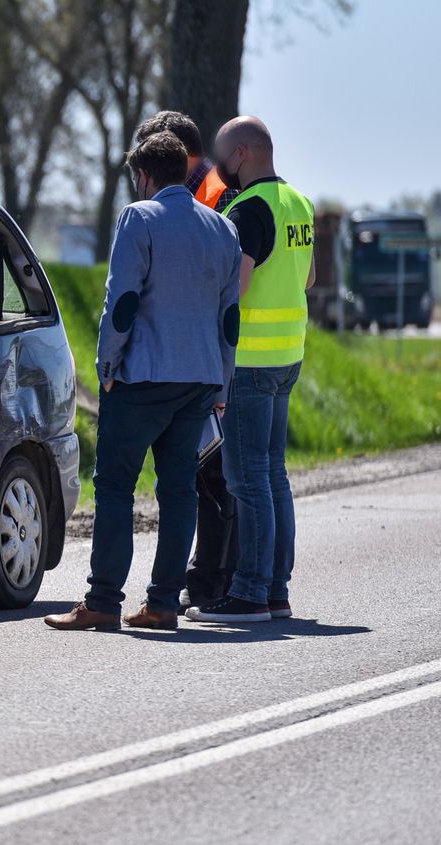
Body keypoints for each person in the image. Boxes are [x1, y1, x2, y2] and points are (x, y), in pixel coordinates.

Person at [45, 131, 241, 632]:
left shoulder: (139, 217)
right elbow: (229, 317)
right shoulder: (221, 229)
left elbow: (123, 302)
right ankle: (162, 605)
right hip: (200, 379)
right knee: (179, 490)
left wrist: (106, 366)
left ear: (145, 175)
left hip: (144, 378)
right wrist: (221, 383)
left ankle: (104, 601)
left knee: (114, 486)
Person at [187, 116, 315, 624]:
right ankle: (276, 590)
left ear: (241, 155)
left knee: (246, 480)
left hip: (252, 362)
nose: (219, 168)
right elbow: (309, 279)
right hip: (288, 358)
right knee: (274, 475)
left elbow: (232, 291)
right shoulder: (299, 203)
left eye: (222, 157)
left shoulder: (247, 210)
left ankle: (250, 594)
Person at [135, 109, 240, 610]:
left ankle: (213, 580)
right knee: (209, 476)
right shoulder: (209, 189)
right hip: (215, 354)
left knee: (214, 478)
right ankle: (215, 575)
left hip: (215, 357)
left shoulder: (213, 195)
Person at [134, 109, 238, 213]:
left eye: (151, 156)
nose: (146, 167)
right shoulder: (179, 193)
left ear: (177, 150)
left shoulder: (225, 193)